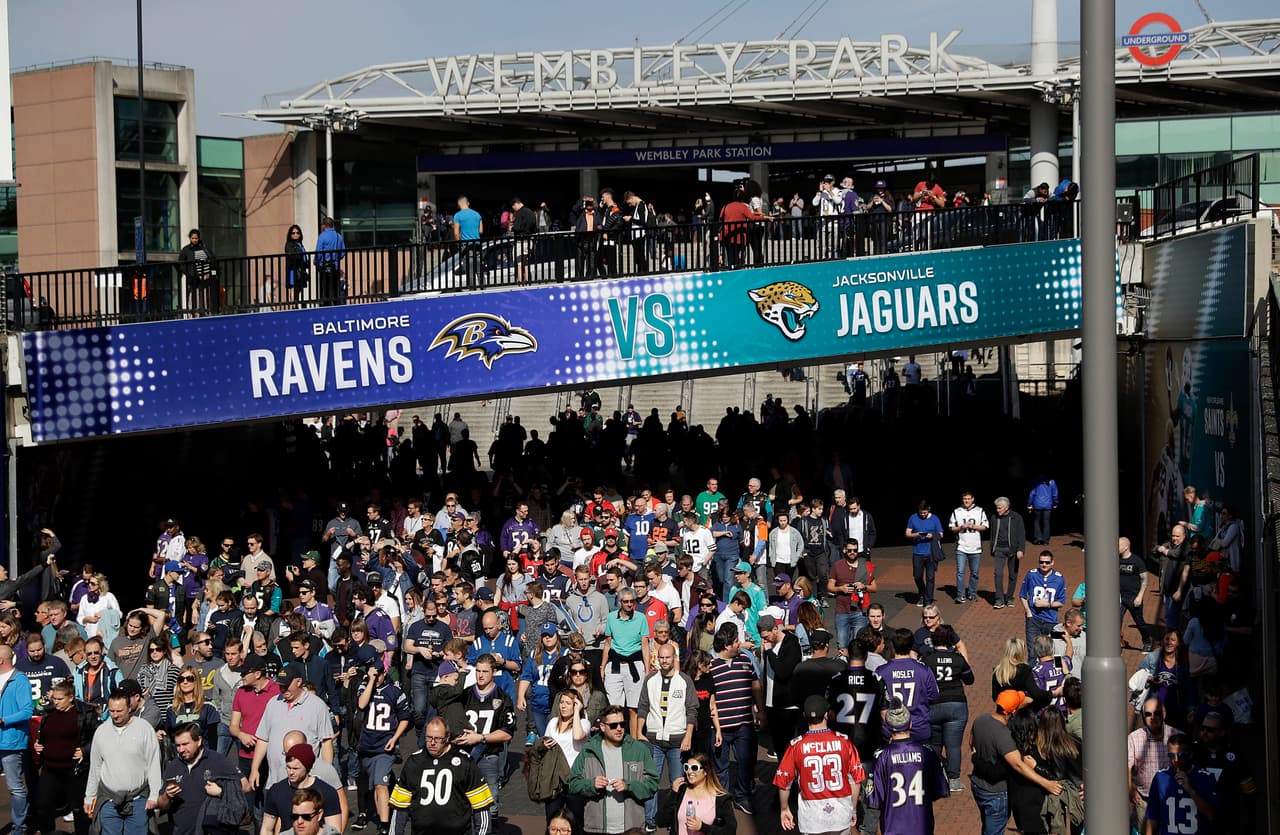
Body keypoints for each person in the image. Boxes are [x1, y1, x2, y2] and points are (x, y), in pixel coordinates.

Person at [969, 690, 1063, 835]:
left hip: (978, 785)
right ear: (1011, 711)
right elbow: (1018, 765)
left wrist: (977, 757)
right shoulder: (1005, 736)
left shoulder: (981, 720)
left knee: (986, 826)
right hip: (997, 793)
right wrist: (1046, 783)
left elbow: (972, 743)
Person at [773, 693, 864, 834]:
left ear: (804, 715)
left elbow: (784, 782)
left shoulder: (796, 745)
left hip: (811, 819)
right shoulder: (845, 742)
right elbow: (855, 779)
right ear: (827, 715)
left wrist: (784, 808)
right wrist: (853, 809)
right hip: (840, 816)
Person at [388, 717, 494, 835]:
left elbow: (481, 806)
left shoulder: (464, 763)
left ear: (447, 737)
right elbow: (399, 808)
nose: (433, 742)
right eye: (429, 738)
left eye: (438, 739)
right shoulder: (414, 762)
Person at [568, 704, 660, 835]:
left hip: (630, 828)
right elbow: (573, 783)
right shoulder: (589, 750)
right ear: (603, 727)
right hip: (596, 828)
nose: (619, 729)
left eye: (622, 724)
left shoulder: (639, 750)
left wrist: (629, 786)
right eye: (613, 725)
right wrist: (591, 784)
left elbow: (652, 784)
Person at [637, 641, 698, 833]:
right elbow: (643, 706)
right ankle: (650, 820)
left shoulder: (685, 680)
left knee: (678, 783)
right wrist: (639, 732)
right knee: (650, 782)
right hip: (654, 740)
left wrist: (688, 736)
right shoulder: (650, 680)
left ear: (674, 658)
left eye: (667, 657)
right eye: (661, 657)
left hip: (677, 741)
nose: (664, 661)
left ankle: (676, 819)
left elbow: (692, 710)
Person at [84, 690, 162, 835]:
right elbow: (95, 768)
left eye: (119, 711)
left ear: (129, 708)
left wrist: (155, 795)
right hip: (109, 800)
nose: (115, 715)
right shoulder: (101, 731)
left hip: (138, 800)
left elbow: (153, 764)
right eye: (112, 710)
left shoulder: (144, 728)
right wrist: (90, 796)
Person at [250, 662, 336, 791]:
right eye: (281, 685)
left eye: (287, 685)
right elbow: (263, 739)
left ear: (299, 682)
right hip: (275, 782)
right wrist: (254, 769)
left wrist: (326, 775)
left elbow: (326, 742)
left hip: (304, 784)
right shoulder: (273, 703)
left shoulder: (317, 705)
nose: (283, 689)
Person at [870, 698, 949, 835]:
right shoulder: (927, 752)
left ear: (888, 727)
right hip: (922, 827)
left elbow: (874, 798)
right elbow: (940, 789)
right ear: (910, 724)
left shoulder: (882, 756)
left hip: (893, 828)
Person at [709, 623, 762, 815]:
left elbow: (755, 684)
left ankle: (742, 796)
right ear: (726, 646)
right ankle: (722, 800)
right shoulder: (710, 666)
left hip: (744, 724)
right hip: (720, 727)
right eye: (736, 641)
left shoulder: (745, 660)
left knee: (745, 762)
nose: (740, 644)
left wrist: (761, 711)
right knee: (720, 766)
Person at [454, 654, 516, 818]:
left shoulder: (503, 699)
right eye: (478, 671)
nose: (480, 675)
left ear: (494, 672)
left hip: (489, 756)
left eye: (485, 671)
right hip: (463, 755)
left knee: (491, 803)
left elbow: (507, 733)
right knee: (461, 800)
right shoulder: (464, 695)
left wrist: (481, 738)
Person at [155, 722, 243, 835]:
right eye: (178, 745)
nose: (181, 749)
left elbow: (244, 786)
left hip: (212, 830)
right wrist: (167, 796)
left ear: (199, 741)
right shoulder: (173, 767)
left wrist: (222, 792)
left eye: (185, 744)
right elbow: (162, 805)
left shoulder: (217, 760)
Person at [355, 661, 411, 835]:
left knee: (380, 784)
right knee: (377, 785)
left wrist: (395, 739)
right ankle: (388, 811)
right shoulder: (365, 686)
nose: (376, 678)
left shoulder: (395, 691)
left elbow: (405, 717)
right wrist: (370, 681)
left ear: (384, 672)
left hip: (385, 746)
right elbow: (361, 704)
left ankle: (385, 826)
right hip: (367, 746)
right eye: (373, 674)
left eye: (378, 674)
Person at [922, 624, 974, 793]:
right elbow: (970, 680)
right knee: (953, 745)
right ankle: (954, 780)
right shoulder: (958, 659)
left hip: (934, 705)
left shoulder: (927, 659)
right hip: (956, 705)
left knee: (935, 744)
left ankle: (936, 778)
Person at [1144, 734, 1218, 835]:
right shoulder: (1160, 777)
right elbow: (1152, 816)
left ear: (1190, 754)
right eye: (1171, 755)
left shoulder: (1205, 777)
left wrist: (1190, 790)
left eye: (1181, 755)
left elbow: (1211, 815)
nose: (1176, 760)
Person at [602, 587, 650, 737]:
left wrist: (647, 670)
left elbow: (645, 646)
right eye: (626, 601)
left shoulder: (641, 618)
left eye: (632, 601)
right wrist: (602, 665)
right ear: (620, 602)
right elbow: (608, 643)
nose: (629, 604)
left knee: (633, 707)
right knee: (615, 707)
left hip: (634, 664)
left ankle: (635, 740)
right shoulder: (611, 617)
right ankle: (615, 738)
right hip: (615, 664)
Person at [1129, 697, 1182, 832]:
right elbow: (1126, 766)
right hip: (1144, 801)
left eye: (1157, 713)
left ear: (1163, 715)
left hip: (1172, 800)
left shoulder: (1177, 736)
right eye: (1148, 714)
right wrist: (1130, 787)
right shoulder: (1134, 738)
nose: (1153, 717)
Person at [655, 749, 736, 835]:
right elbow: (661, 821)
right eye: (686, 767)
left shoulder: (720, 798)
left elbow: (730, 831)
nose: (689, 772)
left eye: (694, 768)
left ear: (705, 771)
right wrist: (673, 794)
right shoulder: (680, 791)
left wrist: (702, 827)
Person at [757, 613, 801, 759]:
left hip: (787, 705)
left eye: (766, 636)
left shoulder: (791, 643)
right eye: (762, 638)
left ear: (775, 629)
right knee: (778, 745)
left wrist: (769, 651)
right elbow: (766, 673)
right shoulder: (769, 645)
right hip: (771, 703)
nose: (765, 640)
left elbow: (783, 672)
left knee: (790, 746)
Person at [0, 644, 33, 835]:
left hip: (10, 740)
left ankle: (19, 828)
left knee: (15, 787)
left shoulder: (19, 680)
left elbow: (27, 711)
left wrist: (4, 720)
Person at [828, 539, 877, 651]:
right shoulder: (837, 565)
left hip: (860, 612)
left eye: (855, 550)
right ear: (845, 550)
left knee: (858, 646)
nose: (852, 553)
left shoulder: (865, 565)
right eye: (849, 550)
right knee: (842, 646)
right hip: (842, 612)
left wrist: (864, 586)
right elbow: (830, 586)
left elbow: (874, 588)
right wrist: (841, 588)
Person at [1020, 550, 1066, 650]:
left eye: (1047, 562)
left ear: (1052, 563)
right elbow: (1022, 595)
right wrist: (1028, 612)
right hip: (1033, 619)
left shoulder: (1059, 578)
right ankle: (1033, 666)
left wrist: (1047, 604)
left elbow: (1061, 602)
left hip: (1051, 620)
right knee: (1032, 650)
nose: (1044, 565)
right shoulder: (1031, 575)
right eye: (1041, 562)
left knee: (1053, 649)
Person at [949, 492, 988, 604]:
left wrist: (973, 526)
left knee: (974, 572)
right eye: (964, 499)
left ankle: (972, 593)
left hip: (975, 547)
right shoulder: (957, 511)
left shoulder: (979, 511)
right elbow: (951, 528)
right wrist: (961, 527)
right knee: (960, 572)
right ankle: (960, 595)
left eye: (968, 499)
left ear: (972, 499)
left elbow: (985, 526)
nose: (966, 501)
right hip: (961, 546)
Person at [989, 497, 1026, 610]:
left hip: (1012, 550)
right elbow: (992, 534)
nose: (997, 510)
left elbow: (1021, 534)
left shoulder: (1016, 517)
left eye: (999, 508)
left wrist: (1021, 549)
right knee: (998, 573)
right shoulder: (994, 518)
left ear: (1006, 508)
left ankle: (1009, 597)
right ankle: (999, 599)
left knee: (1012, 575)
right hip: (999, 549)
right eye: (997, 508)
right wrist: (992, 548)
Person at [906, 501, 944, 607]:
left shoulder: (935, 519)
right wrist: (916, 534)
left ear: (929, 510)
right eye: (921, 513)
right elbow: (907, 533)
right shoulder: (913, 518)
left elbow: (941, 534)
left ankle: (928, 600)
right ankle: (922, 593)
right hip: (918, 552)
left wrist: (932, 535)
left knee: (930, 578)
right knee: (917, 576)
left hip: (931, 552)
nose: (923, 514)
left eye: (925, 513)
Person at [178, 228, 216, 312]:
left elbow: (212, 258)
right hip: (194, 275)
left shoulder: (204, 247)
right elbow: (181, 263)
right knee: (193, 294)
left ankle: (206, 311)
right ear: (190, 238)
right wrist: (188, 273)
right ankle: (194, 312)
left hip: (206, 275)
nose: (195, 240)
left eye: (196, 238)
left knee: (205, 294)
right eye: (193, 238)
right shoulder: (186, 249)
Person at [314, 217, 346, 306]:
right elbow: (343, 252)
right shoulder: (338, 236)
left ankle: (326, 307)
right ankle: (336, 307)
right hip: (335, 267)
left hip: (325, 267)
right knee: (335, 290)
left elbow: (319, 252)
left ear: (324, 225)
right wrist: (336, 259)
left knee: (325, 290)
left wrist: (316, 262)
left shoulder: (322, 236)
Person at [1026, 474, 1058, 545]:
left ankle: (1038, 539)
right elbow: (1055, 494)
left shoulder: (1036, 481)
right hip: (1047, 505)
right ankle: (1046, 540)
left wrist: (1029, 503)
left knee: (1036, 521)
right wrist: (1055, 503)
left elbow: (1032, 493)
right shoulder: (1052, 482)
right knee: (1046, 522)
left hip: (1037, 505)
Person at [284, 224, 310, 306]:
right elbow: (293, 255)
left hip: (300, 270)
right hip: (293, 270)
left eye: (297, 233)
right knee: (293, 288)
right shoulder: (289, 244)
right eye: (293, 233)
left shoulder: (300, 244)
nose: (296, 234)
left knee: (298, 289)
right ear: (290, 234)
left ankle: (296, 304)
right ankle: (293, 306)